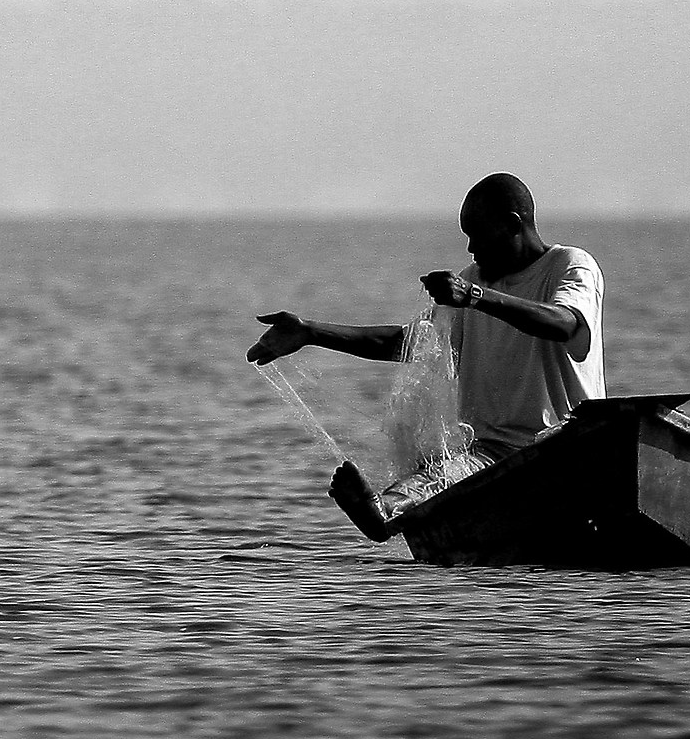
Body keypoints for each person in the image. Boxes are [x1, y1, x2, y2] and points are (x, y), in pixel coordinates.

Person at [246, 172, 604, 540]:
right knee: (439, 473)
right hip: (493, 454)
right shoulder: (474, 279)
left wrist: (474, 297)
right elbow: (409, 343)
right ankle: (384, 512)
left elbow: (563, 323)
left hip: (568, 445)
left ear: (513, 225)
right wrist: (312, 332)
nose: (471, 249)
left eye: (478, 234)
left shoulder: (568, 265)